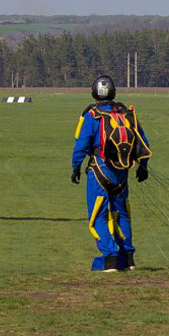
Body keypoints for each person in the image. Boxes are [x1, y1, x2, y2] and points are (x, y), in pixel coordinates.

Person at [71, 74, 151, 271]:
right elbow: (142, 141)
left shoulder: (92, 115)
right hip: (122, 173)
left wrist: (76, 167)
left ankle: (110, 259)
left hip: (99, 172)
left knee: (97, 216)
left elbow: (82, 144)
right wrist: (143, 165)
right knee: (121, 214)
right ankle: (128, 258)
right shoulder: (125, 114)